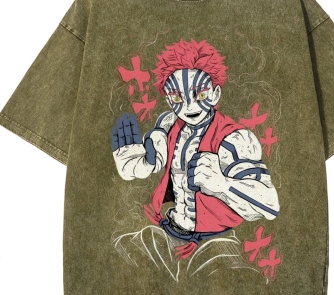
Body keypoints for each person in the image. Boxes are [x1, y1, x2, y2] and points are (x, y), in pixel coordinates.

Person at [112, 38, 280, 259]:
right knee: (125, 247)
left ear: (215, 94)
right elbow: (154, 162)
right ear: (168, 99)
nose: (189, 106)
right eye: (177, 97)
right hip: (170, 230)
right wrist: (137, 165)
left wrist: (223, 184)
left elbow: (270, 205)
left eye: (200, 95)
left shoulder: (234, 139)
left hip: (216, 243)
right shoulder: (169, 123)